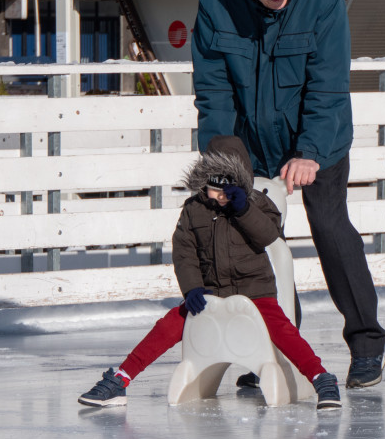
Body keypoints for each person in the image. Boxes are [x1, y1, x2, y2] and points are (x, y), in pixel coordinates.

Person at [190, 0, 385, 389]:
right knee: (257, 246)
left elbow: (329, 85)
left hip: (319, 142)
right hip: (252, 147)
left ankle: (366, 343)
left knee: (332, 230)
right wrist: (225, 158)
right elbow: (213, 91)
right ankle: (274, 351)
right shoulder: (214, 2)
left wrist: (311, 153)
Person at [79, 136, 342, 411]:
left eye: (224, 190)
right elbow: (184, 251)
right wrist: (192, 288)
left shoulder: (258, 204)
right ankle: (120, 379)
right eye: (212, 188)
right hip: (210, 292)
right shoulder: (195, 209)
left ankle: (321, 378)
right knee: (168, 325)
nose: (217, 196)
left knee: (283, 331)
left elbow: (267, 236)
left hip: (255, 292)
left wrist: (243, 210)